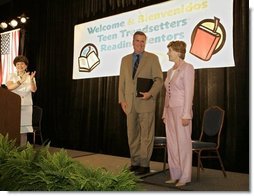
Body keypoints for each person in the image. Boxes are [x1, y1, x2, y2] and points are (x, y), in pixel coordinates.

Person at [118, 31, 163, 175]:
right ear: (132, 42)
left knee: (146, 136)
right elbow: (122, 82)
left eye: (143, 41)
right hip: (129, 104)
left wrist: (150, 93)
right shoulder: (125, 60)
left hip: (146, 103)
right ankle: (135, 162)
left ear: (145, 42)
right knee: (132, 135)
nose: (140, 43)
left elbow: (159, 80)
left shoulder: (152, 58)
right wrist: (122, 100)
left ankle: (144, 164)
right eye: (137, 40)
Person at [162, 40, 195, 187]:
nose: (168, 53)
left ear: (177, 51)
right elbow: (167, 94)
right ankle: (175, 174)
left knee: (183, 144)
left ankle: (185, 176)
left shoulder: (188, 68)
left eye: (170, 50)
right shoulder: (169, 71)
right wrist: (164, 112)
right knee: (172, 144)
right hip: (170, 111)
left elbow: (189, 92)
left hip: (182, 111)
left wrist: (186, 114)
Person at [6, 55, 37, 146]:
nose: (20, 66)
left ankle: (22, 152)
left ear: (26, 66)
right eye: (17, 64)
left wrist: (31, 80)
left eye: (22, 64)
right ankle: (11, 149)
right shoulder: (11, 75)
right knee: (13, 127)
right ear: (15, 65)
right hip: (13, 105)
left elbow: (33, 90)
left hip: (26, 105)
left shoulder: (30, 76)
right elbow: (10, 87)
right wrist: (21, 81)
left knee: (24, 129)